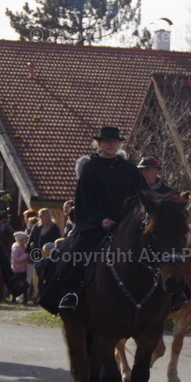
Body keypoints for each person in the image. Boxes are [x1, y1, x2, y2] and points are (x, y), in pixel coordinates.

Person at [48, 126, 146, 313]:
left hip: (126, 224)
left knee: (159, 250)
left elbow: (141, 196)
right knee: (74, 253)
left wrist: (134, 218)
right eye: (107, 141)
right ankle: (70, 293)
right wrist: (100, 220)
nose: (111, 144)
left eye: (115, 141)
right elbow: (84, 200)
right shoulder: (90, 169)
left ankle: (175, 294)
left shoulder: (130, 170)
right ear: (99, 144)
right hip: (96, 226)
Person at [28, 208, 60, 302]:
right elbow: (31, 240)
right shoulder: (36, 227)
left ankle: (48, 297)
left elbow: (56, 242)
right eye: (39, 215)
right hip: (38, 256)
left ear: (47, 216)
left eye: (42, 215)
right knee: (39, 278)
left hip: (49, 257)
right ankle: (39, 296)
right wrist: (30, 251)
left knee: (48, 277)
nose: (40, 217)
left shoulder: (54, 227)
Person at [10, 232, 29, 304]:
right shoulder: (16, 248)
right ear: (20, 240)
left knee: (24, 285)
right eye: (24, 239)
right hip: (17, 270)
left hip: (23, 269)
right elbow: (15, 260)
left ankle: (25, 299)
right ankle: (14, 298)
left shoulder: (23, 247)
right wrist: (25, 256)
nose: (26, 240)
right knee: (17, 285)